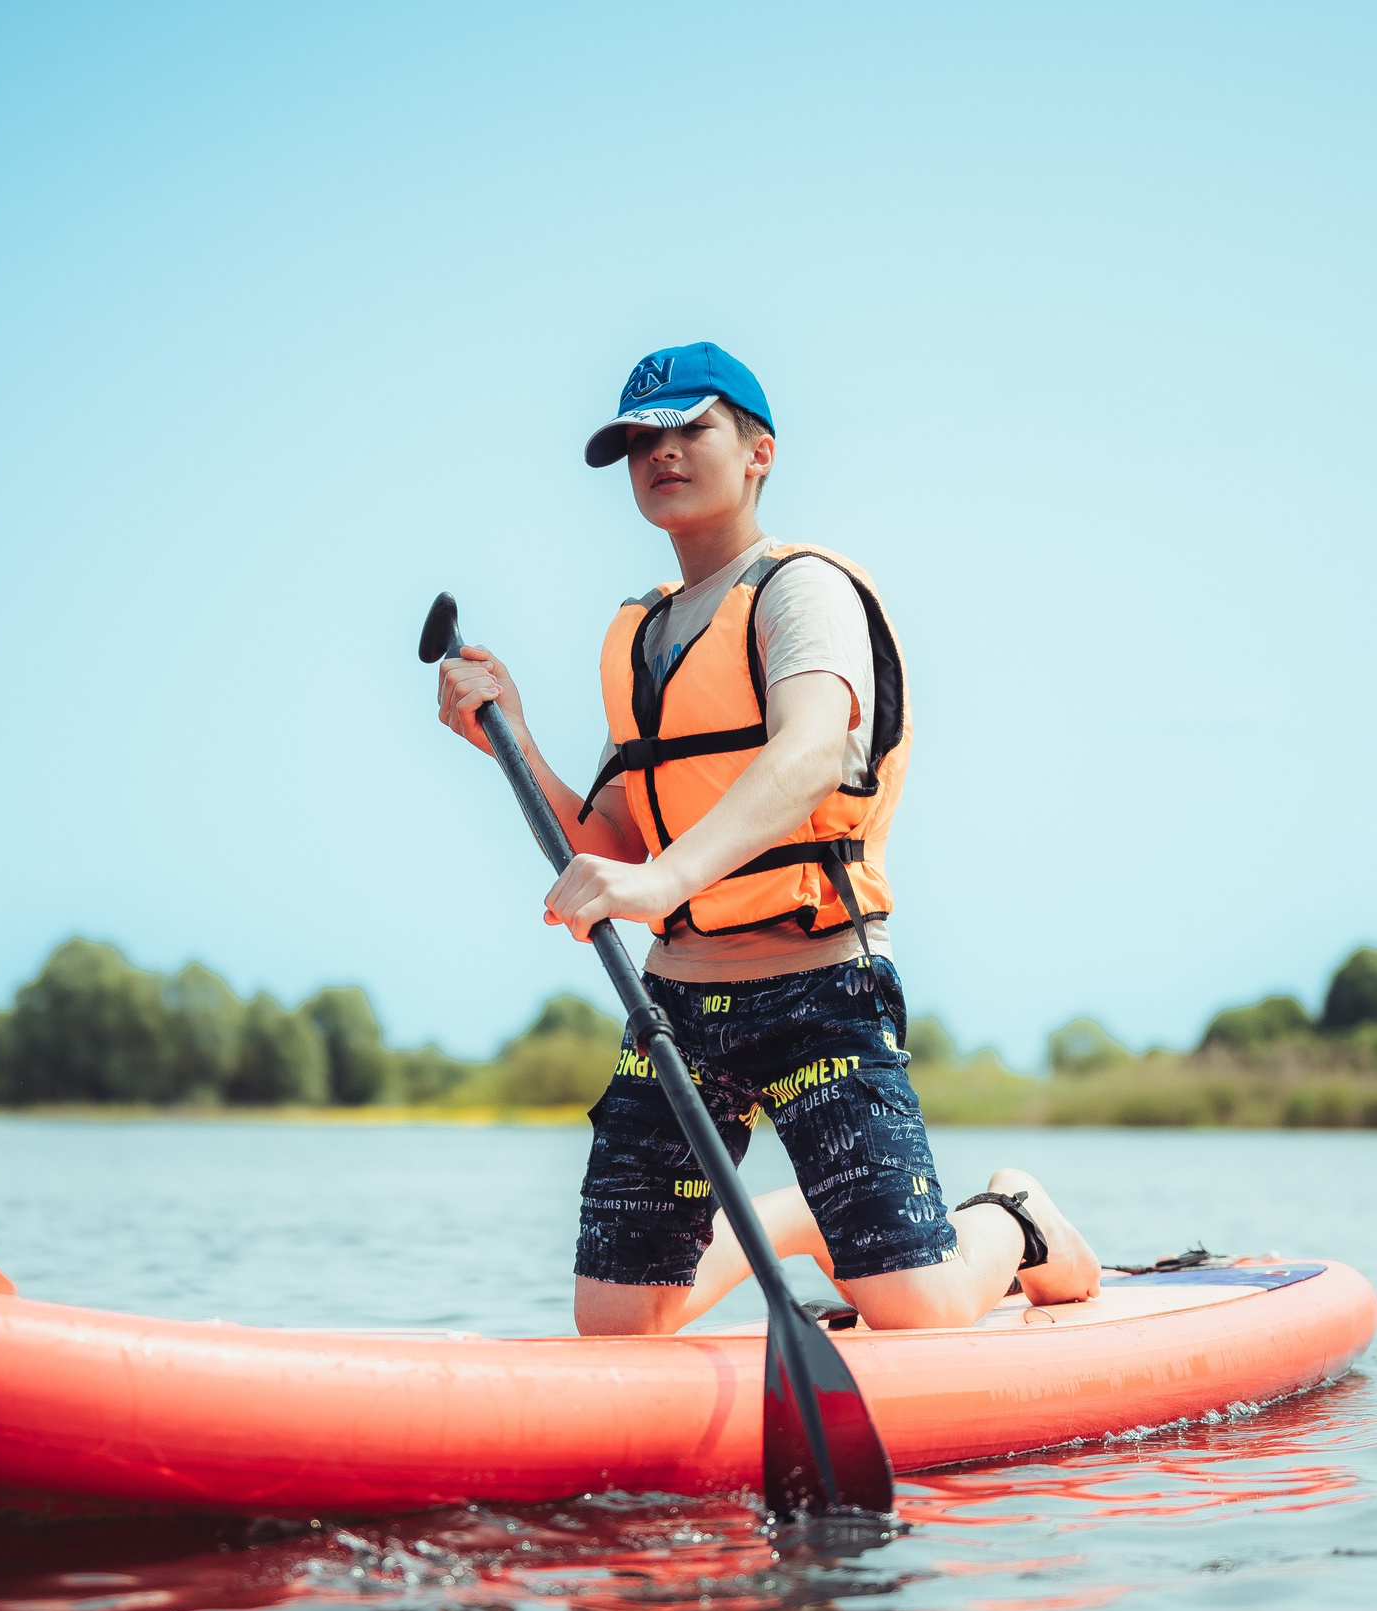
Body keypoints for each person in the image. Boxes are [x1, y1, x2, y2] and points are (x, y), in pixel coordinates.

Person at [436, 342, 1101, 1334]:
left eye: (688, 428)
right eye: (637, 440)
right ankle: (801, 1221)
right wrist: (512, 742)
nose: (659, 451)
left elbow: (809, 755)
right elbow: (618, 836)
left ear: (758, 452)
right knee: (617, 1327)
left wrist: (662, 881)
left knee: (914, 1314)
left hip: (820, 991)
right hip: (678, 1003)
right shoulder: (642, 634)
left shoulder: (801, 590)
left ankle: (1013, 1220)